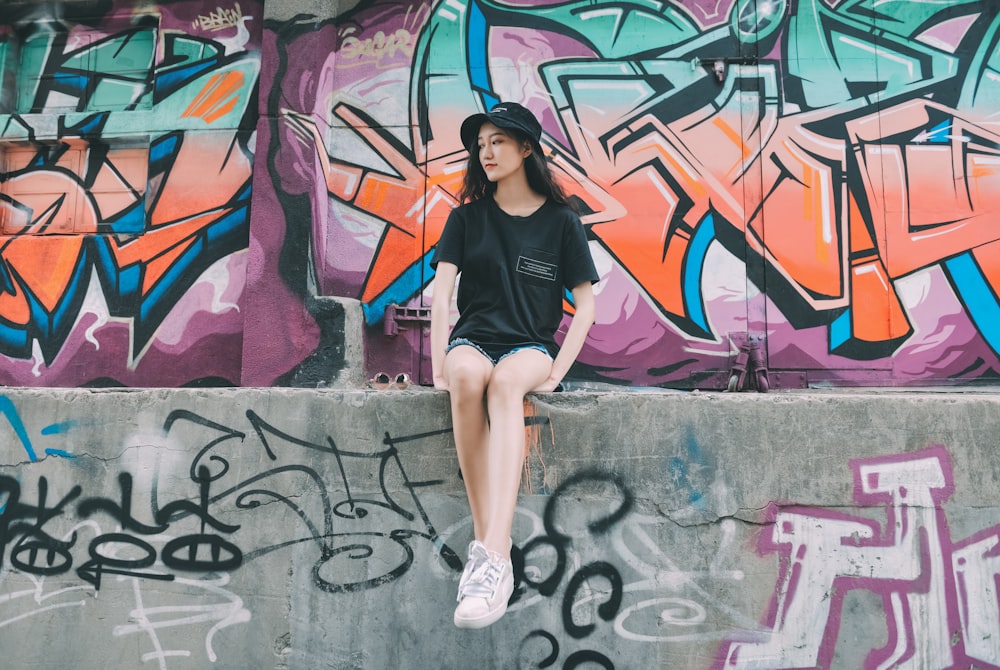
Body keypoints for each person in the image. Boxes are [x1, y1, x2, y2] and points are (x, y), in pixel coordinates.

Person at [430, 101, 599, 629]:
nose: (486, 152)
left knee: (505, 387)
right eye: (480, 145)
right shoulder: (466, 218)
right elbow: (441, 296)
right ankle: (495, 556)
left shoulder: (561, 223)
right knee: (466, 375)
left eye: (498, 141)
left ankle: (490, 555)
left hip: (529, 346)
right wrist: (439, 361)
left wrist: (556, 370)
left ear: (527, 148)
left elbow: (586, 303)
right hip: (474, 339)